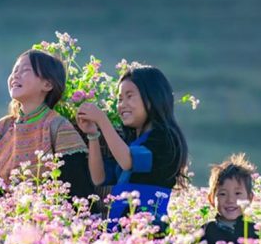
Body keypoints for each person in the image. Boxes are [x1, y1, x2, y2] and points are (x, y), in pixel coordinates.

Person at [76, 66, 188, 231]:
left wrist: (102, 120)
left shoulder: (164, 138)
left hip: (147, 230)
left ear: (152, 98)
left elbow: (129, 161)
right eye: (120, 99)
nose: (122, 105)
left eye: (129, 96)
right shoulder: (130, 144)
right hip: (120, 229)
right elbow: (99, 178)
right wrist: (93, 135)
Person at [0, 49, 93, 199]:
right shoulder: (1, 128)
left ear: (47, 84)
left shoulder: (58, 127)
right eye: (14, 70)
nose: (15, 75)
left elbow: (76, 190)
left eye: (25, 70)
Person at [202, 153, 261, 244]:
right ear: (211, 199)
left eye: (237, 193)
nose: (230, 200)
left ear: (250, 198)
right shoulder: (206, 231)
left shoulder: (255, 231)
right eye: (223, 194)